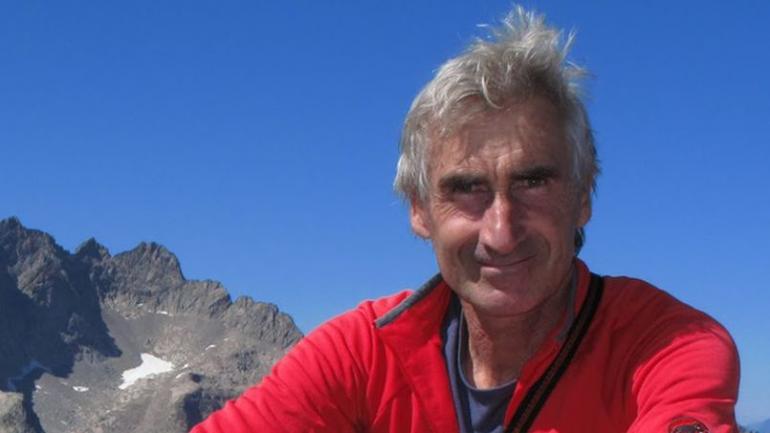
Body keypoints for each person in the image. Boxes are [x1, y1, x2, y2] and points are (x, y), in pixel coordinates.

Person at [190, 6, 739, 433]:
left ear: (583, 196)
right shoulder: (361, 353)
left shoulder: (667, 344)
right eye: (466, 189)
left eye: (533, 182)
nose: (501, 232)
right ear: (419, 210)